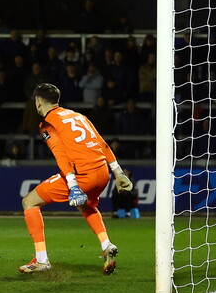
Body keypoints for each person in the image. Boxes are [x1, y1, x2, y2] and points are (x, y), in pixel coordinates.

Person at [19, 83, 134, 275]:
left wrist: (73, 185)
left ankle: (41, 260)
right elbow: (102, 144)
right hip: (102, 173)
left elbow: (61, 155)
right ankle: (106, 244)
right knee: (87, 206)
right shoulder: (78, 116)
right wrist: (118, 173)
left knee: (29, 202)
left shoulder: (48, 123)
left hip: (83, 175)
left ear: (38, 102)